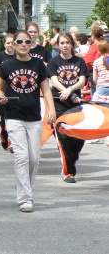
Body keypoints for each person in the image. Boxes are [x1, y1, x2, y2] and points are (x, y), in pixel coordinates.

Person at [0, 29, 56, 213]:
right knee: (22, 156)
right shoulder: (6, 66)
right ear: (13, 44)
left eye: (27, 42)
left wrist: (52, 108)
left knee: (34, 158)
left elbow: (46, 89)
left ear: (31, 44)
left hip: (34, 117)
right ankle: (25, 198)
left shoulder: (38, 64)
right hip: (14, 116)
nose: (23, 45)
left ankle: (23, 187)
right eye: (20, 42)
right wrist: (1, 97)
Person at [47, 32, 88, 183]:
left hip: (75, 102)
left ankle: (71, 159)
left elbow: (82, 81)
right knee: (63, 138)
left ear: (72, 44)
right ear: (58, 45)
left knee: (79, 138)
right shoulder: (53, 62)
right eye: (62, 43)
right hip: (58, 104)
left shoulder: (79, 61)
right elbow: (54, 80)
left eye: (67, 43)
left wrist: (69, 90)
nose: (64, 45)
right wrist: (64, 90)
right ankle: (68, 173)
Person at [0, 34, 15, 151]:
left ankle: (13, 142)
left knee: (14, 118)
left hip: (15, 90)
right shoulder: (0, 56)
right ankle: (4, 136)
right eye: (8, 43)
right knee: (4, 118)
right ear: (4, 44)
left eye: (12, 43)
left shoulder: (19, 56)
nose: (10, 45)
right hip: (3, 89)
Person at [91, 40, 109, 145]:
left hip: (101, 90)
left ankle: (96, 136)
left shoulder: (97, 62)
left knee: (98, 114)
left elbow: (94, 79)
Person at [83, 20, 106, 95]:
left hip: (96, 75)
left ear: (93, 35)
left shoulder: (95, 46)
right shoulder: (105, 44)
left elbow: (88, 61)